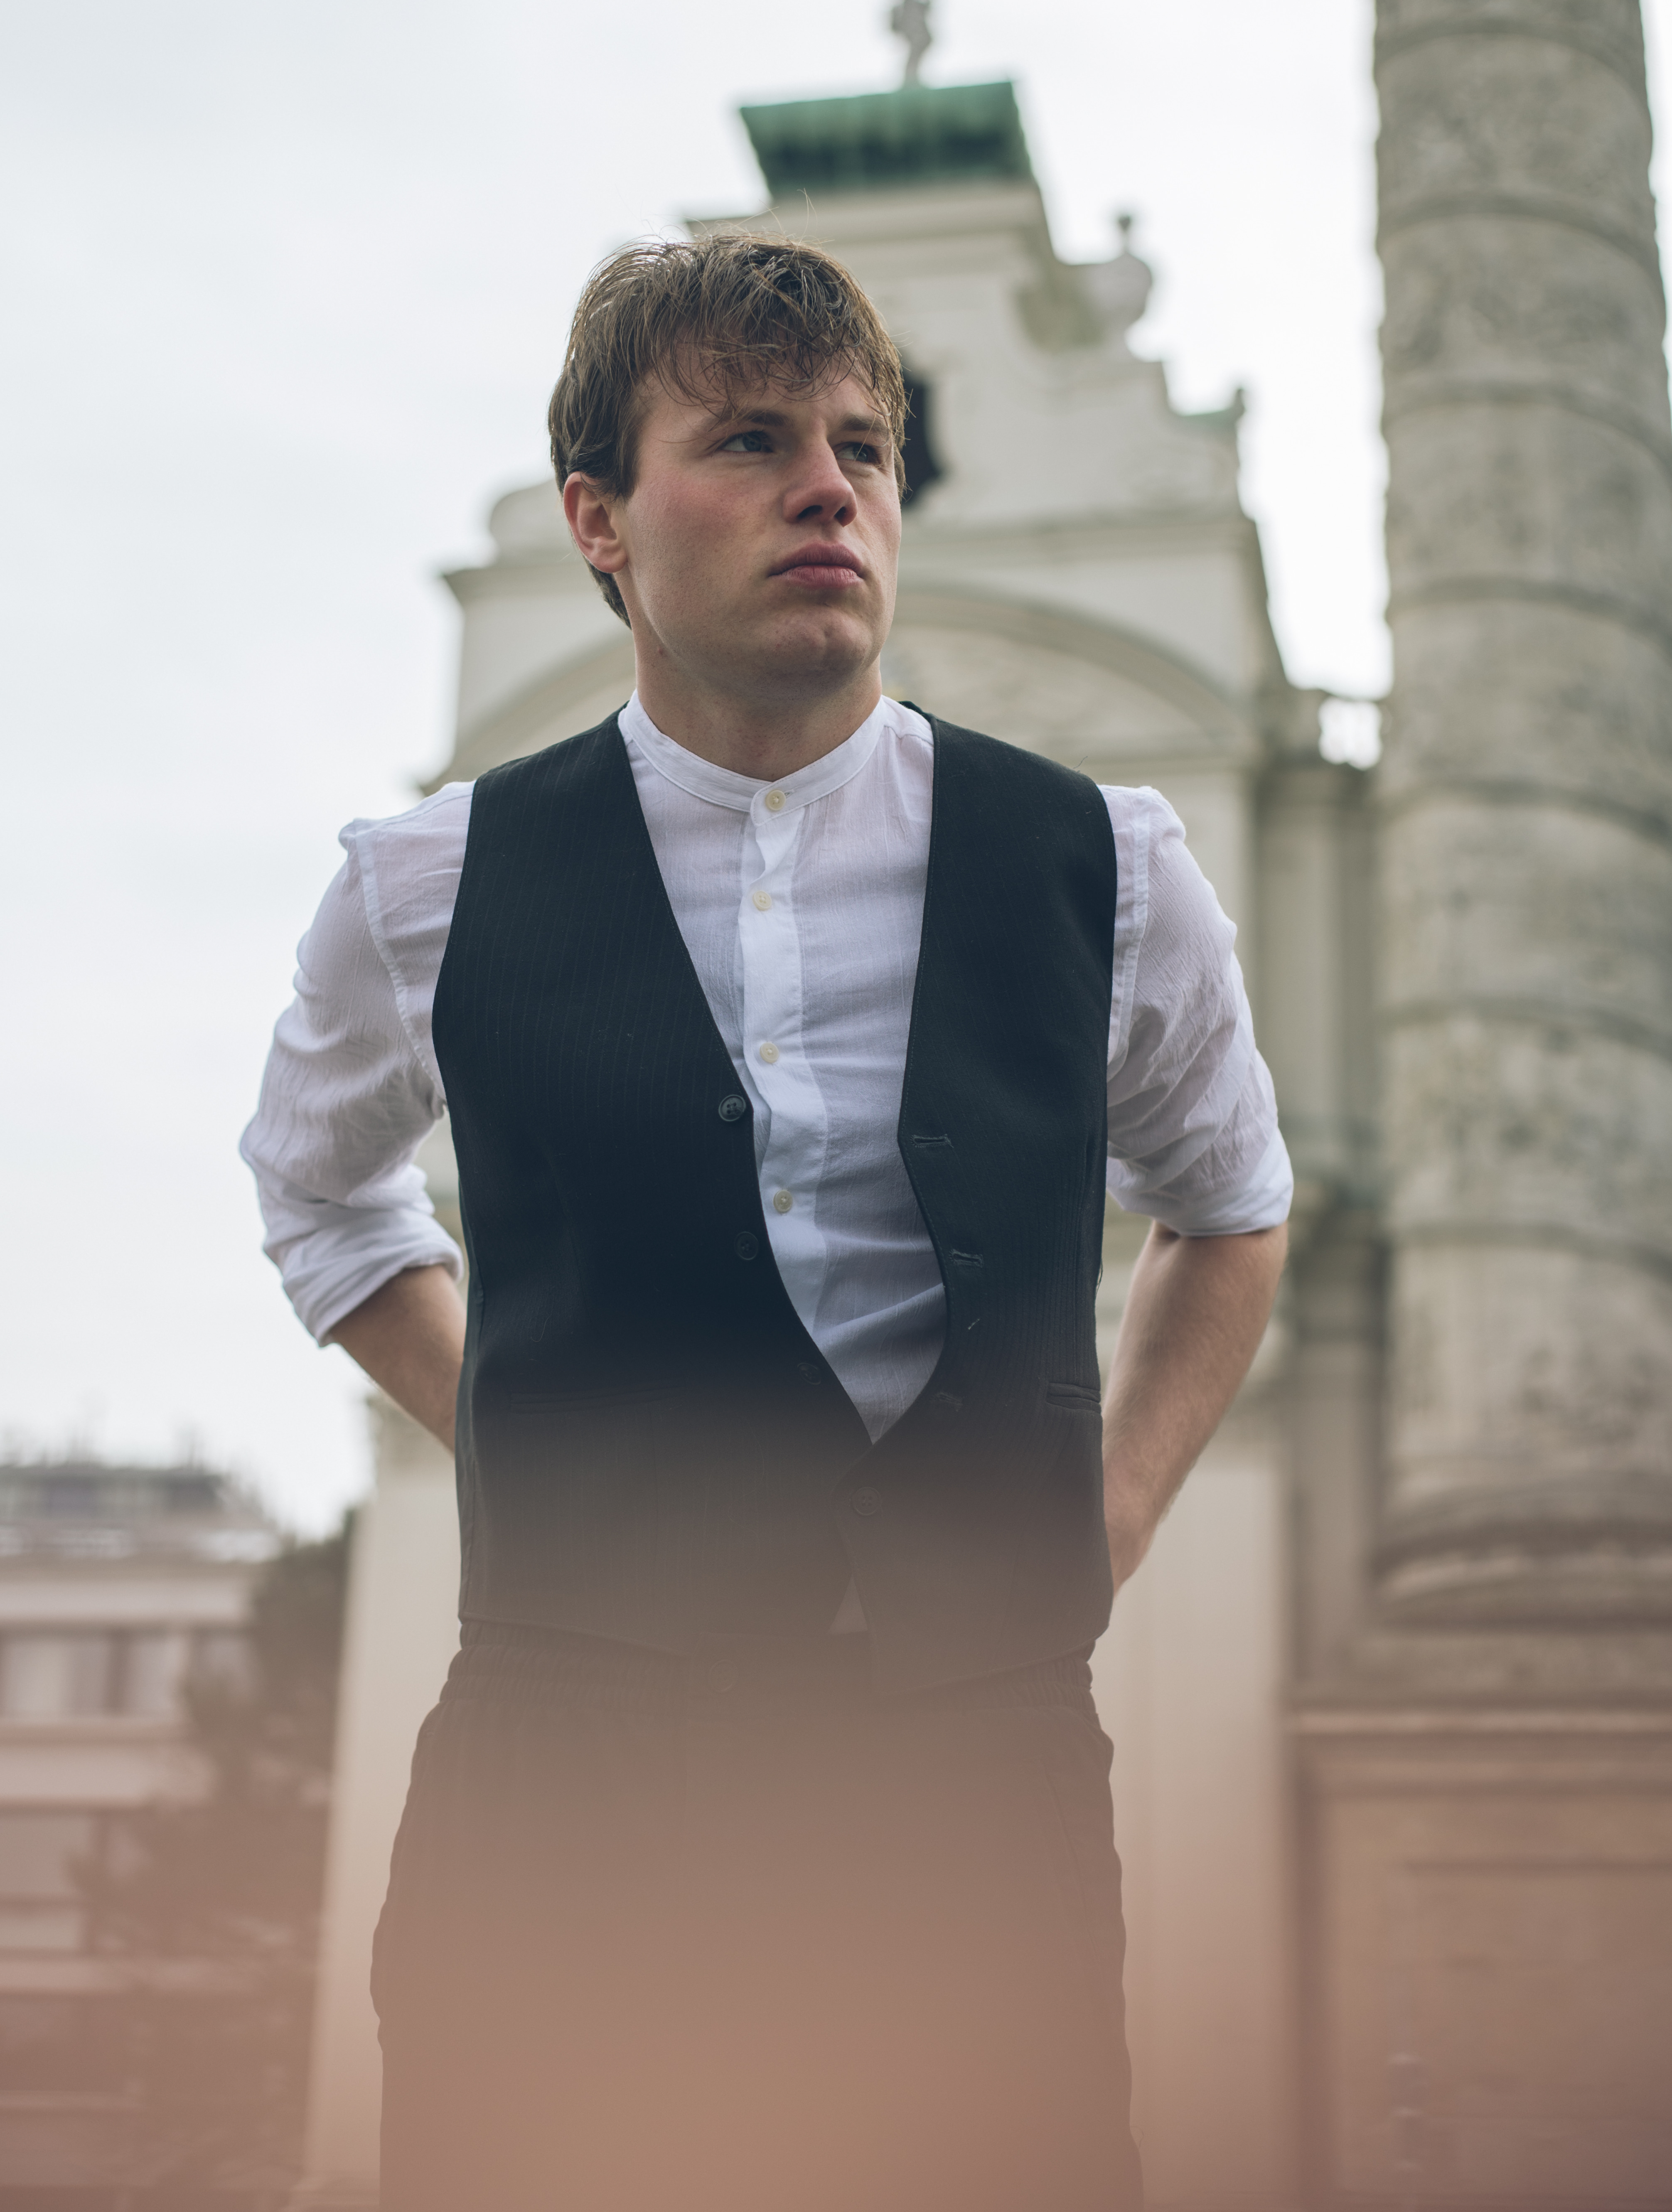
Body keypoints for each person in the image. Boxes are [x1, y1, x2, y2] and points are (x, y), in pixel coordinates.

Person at [242, 233, 1291, 2212]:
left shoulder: (1107, 865)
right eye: (748, 440)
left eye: (863, 446)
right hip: (564, 1784)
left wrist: (1116, 1512)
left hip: (973, 1782)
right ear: (600, 522)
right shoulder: (425, 884)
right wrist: (504, 1430)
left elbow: (1229, 1209)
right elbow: (314, 1186)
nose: (830, 487)